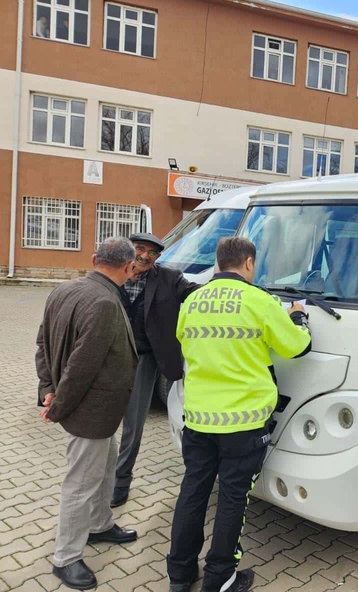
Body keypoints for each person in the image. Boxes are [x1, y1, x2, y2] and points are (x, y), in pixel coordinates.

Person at [167, 237, 311, 592]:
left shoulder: (193, 300)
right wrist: (298, 316)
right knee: (233, 498)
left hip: (198, 418)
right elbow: (297, 346)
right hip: (243, 423)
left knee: (193, 491)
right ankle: (220, 578)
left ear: (218, 262)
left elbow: (187, 344)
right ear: (248, 263)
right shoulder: (259, 301)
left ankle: (180, 575)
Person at [36, 237, 140, 591]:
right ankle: (65, 558)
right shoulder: (104, 302)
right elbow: (83, 364)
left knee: (105, 466)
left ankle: (100, 524)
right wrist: (57, 402)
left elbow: (42, 344)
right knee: (80, 484)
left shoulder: (63, 290)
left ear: (95, 258)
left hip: (95, 411)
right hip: (88, 410)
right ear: (128, 268)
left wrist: (47, 389)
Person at [112, 232, 200, 508]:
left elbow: (194, 293)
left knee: (133, 424)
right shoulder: (113, 274)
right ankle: (98, 478)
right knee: (100, 423)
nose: (146, 255)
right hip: (110, 356)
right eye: (140, 249)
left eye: (153, 252)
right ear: (129, 250)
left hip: (145, 359)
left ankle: (120, 482)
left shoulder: (169, 278)